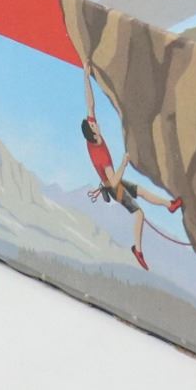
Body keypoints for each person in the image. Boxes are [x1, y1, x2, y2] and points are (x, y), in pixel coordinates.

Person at [80, 73, 181, 270]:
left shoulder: (93, 137)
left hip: (111, 181)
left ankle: (170, 205)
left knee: (141, 191)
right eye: (93, 125)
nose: (95, 122)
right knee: (139, 213)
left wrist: (86, 74)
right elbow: (114, 182)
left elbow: (90, 104)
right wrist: (124, 163)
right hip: (112, 187)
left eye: (93, 122)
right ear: (93, 132)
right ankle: (138, 250)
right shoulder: (100, 157)